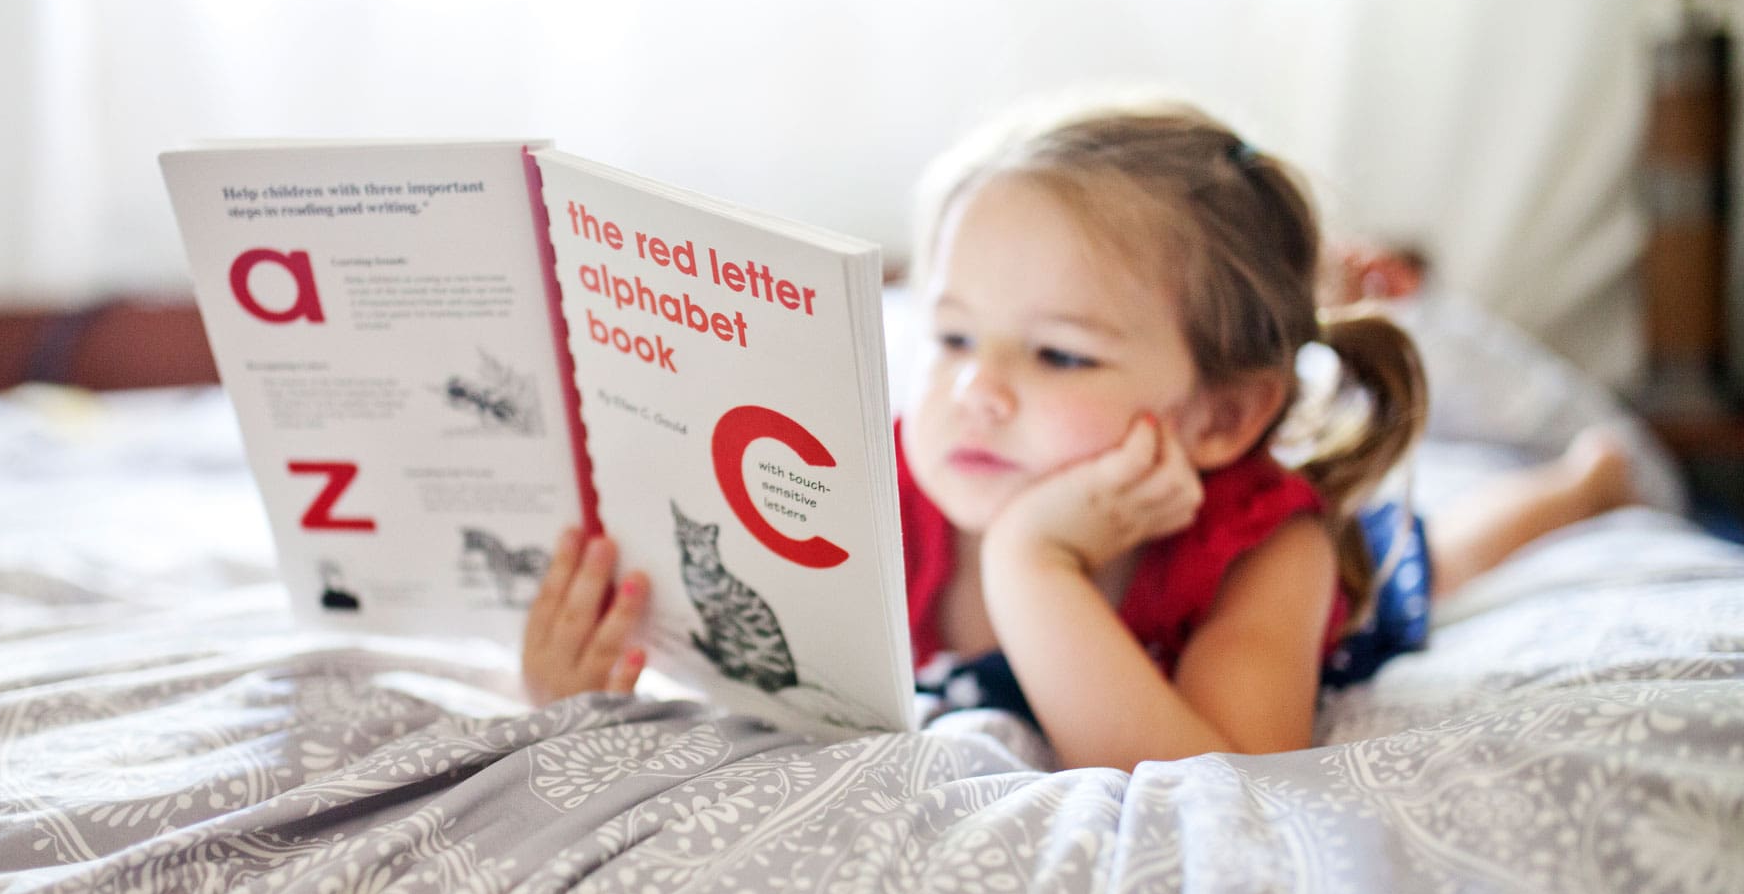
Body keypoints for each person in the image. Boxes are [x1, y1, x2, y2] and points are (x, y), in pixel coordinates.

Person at [523, 100, 1635, 770]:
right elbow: (755, 681)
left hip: (1331, 573)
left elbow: (1226, 776)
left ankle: (1580, 484)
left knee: (1425, 558)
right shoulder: (889, 493)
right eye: (951, 335)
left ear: (1222, 415)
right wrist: (598, 684)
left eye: (1056, 354)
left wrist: (1030, 562)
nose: (977, 390)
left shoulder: (1266, 548)